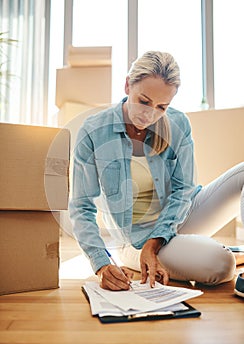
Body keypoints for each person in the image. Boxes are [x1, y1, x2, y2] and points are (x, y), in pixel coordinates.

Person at [69, 51, 244, 291]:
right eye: (143, 101)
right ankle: (216, 253)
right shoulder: (94, 131)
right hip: (134, 240)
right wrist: (101, 264)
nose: (149, 114)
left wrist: (156, 242)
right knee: (221, 265)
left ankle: (200, 249)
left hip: (181, 217)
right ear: (127, 85)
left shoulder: (178, 123)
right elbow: (81, 206)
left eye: (162, 106)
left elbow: (184, 189)